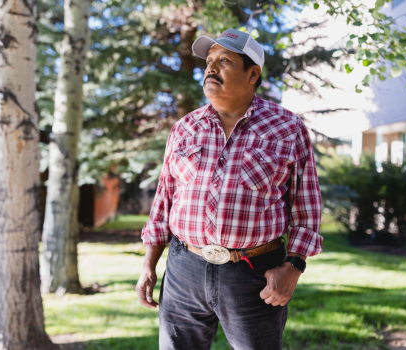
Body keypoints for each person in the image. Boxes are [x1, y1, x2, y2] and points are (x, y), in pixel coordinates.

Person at [136, 28, 323, 350]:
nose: (211, 68)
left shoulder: (288, 128)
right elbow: (163, 202)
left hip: (255, 276)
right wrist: (148, 266)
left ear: (253, 74)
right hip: (184, 271)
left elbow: (307, 211)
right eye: (208, 62)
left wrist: (293, 268)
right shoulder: (184, 128)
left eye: (224, 61)